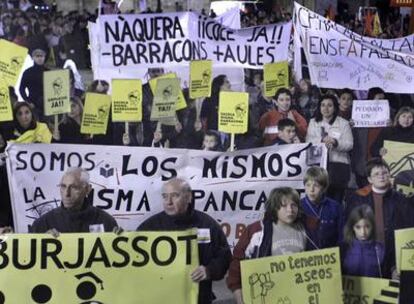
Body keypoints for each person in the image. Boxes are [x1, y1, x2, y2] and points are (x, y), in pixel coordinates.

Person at [137, 178, 231, 304]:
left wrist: (209, 270)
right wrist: (120, 238)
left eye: (175, 196)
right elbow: (133, 256)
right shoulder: (150, 226)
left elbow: (224, 257)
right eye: (165, 197)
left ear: (188, 197)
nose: (168, 202)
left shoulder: (207, 224)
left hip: (198, 298)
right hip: (159, 298)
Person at [227, 187, 310, 304]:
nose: (290, 210)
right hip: (265, 295)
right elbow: (236, 264)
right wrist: (239, 296)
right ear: (274, 207)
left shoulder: (306, 230)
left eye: (294, 205)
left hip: (296, 296)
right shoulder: (256, 230)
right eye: (284, 205)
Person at [345, 158, 413, 278]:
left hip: (392, 256)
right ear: (369, 179)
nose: (381, 177)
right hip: (365, 256)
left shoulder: (401, 200)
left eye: (385, 173)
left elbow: (408, 232)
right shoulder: (358, 199)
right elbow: (349, 230)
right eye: (376, 174)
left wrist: (398, 264)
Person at [30, 167, 118, 233]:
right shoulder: (43, 224)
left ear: (87, 189)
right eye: (63, 186)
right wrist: (41, 242)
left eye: (74, 188)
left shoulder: (106, 221)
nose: (67, 194)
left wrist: (122, 238)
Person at [306, 94, 353, 203]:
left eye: (329, 105)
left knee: (336, 201)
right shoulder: (313, 122)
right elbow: (308, 141)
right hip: (318, 165)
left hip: (338, 165)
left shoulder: (344, 123)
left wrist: (335, 142)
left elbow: (349, 144)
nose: (326, 108)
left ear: (335, 107)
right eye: (323, 105)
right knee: (318, 199)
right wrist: (321, 141)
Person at [301, 167, 343, 249]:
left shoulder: (335, 207)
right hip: (305, 256)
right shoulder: (298, 207)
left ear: (324, 188)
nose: (311, 190)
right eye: (308, 185)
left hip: (330, 255)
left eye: (316, 186)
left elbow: (342, 236)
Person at [341, 205, 385, 278]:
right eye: (358, 227)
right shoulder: (344, 248)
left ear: (372, 226)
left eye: (367, 226)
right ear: (352, 227)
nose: (363, 232)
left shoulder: (381, 249)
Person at [19, 45, 49, 121]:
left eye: (41, 56)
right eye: (37, 56)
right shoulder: (27, 72)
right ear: (33, 57)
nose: (39, 58)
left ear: (44, 57)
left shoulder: (49, 71)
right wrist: (28, 101)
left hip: (48, 104)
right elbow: (21, 88)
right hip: (33, 104)